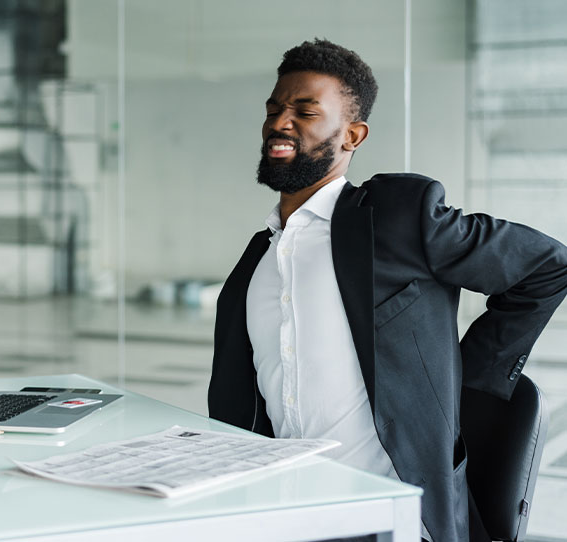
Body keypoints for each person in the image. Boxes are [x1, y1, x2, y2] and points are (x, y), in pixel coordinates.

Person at [208, 38, 567, 542]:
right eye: (273, 110)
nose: (279, 123)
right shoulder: (258, 260)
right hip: (289, 513)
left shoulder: (395, 217)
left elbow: (546, 266)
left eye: (305, 112)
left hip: (394, 518)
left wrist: (468, 380)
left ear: (352, 135)